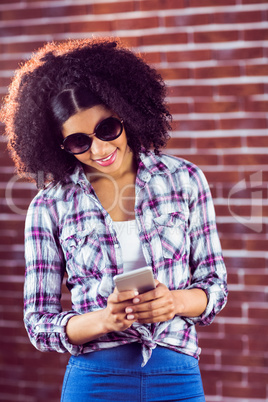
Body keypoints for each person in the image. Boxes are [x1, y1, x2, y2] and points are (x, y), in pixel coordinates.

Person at [1, 38, 228, 402]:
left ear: (128, 114)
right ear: (58, 145)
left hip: (177, 376)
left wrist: (174, 303)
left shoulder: (184, 179)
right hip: (95, 379)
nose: (100, 150)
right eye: (78, 142)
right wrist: (104, 320)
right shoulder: (49, 206)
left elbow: (214, 285)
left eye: (107, 129)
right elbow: (39, 323)